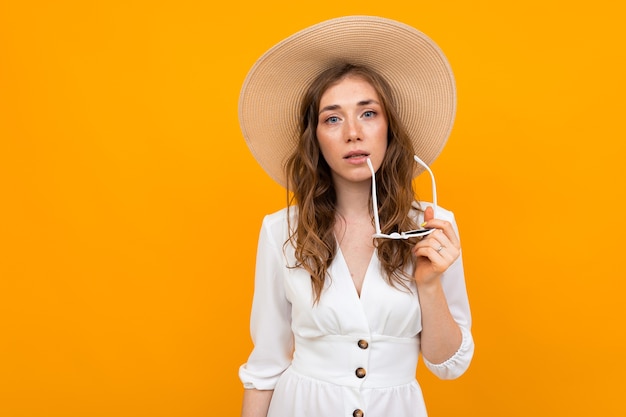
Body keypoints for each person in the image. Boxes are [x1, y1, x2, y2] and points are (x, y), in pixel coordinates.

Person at [237, 16, 474, 417]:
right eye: (332, 118)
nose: (352, 132)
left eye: (368, 113)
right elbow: (266, 365)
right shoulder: (280, 230)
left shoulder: (432, 225)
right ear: (316, 138)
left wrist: (430, 285)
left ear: (388, 127)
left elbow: (447, 364)